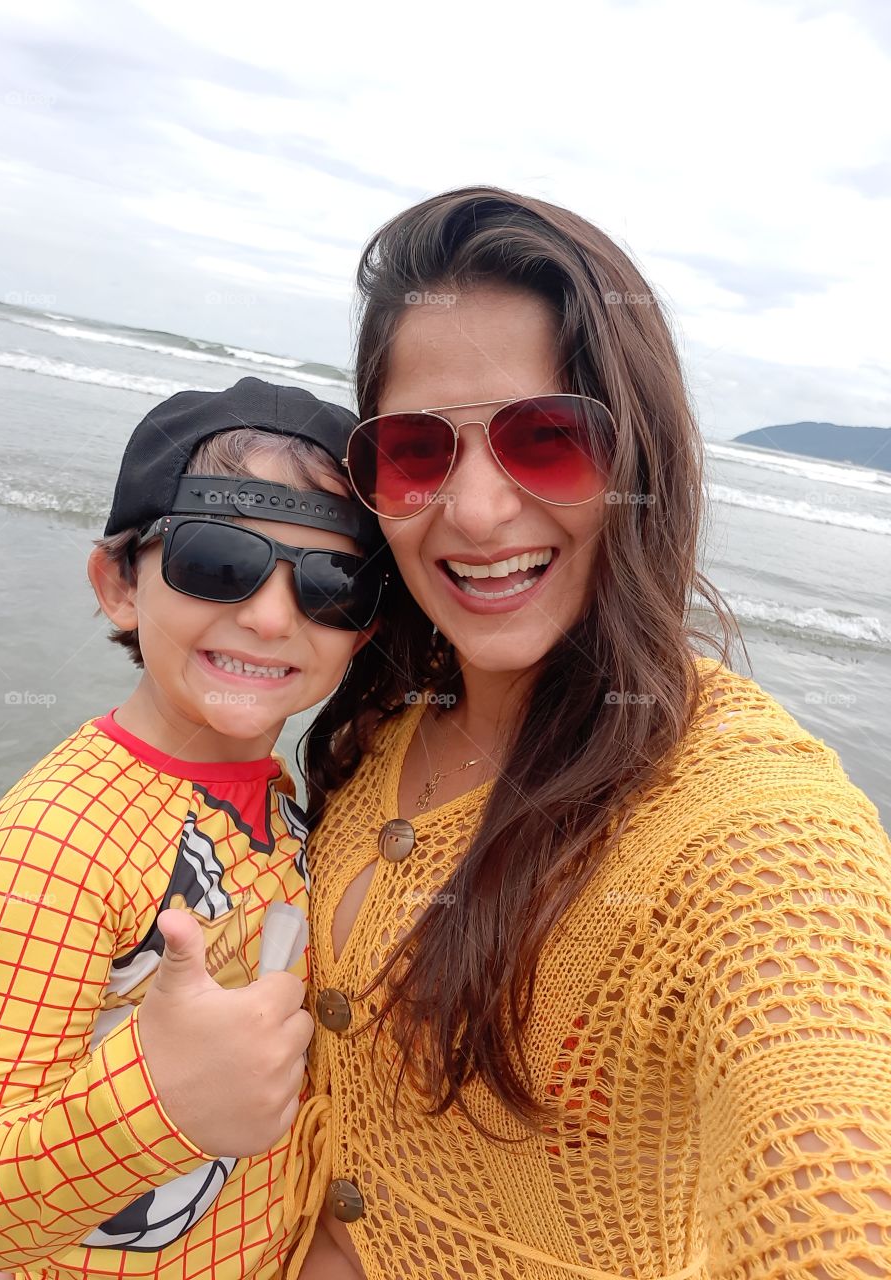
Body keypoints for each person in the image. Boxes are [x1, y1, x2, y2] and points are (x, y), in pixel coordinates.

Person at [286, 188, 891, 1279]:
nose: (473, 511)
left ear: (640, 460)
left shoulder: (745, 818)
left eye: (547, 437)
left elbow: (827, 1152)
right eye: (419, 449)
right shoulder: (381, 712)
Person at [0, 376, 384, 1280]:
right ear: (119, 585)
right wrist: (158, 1101)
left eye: (332, 583)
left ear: (364, 632)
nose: (269, 614)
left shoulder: (289, 795)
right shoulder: (53, 841)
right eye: (219, 562)